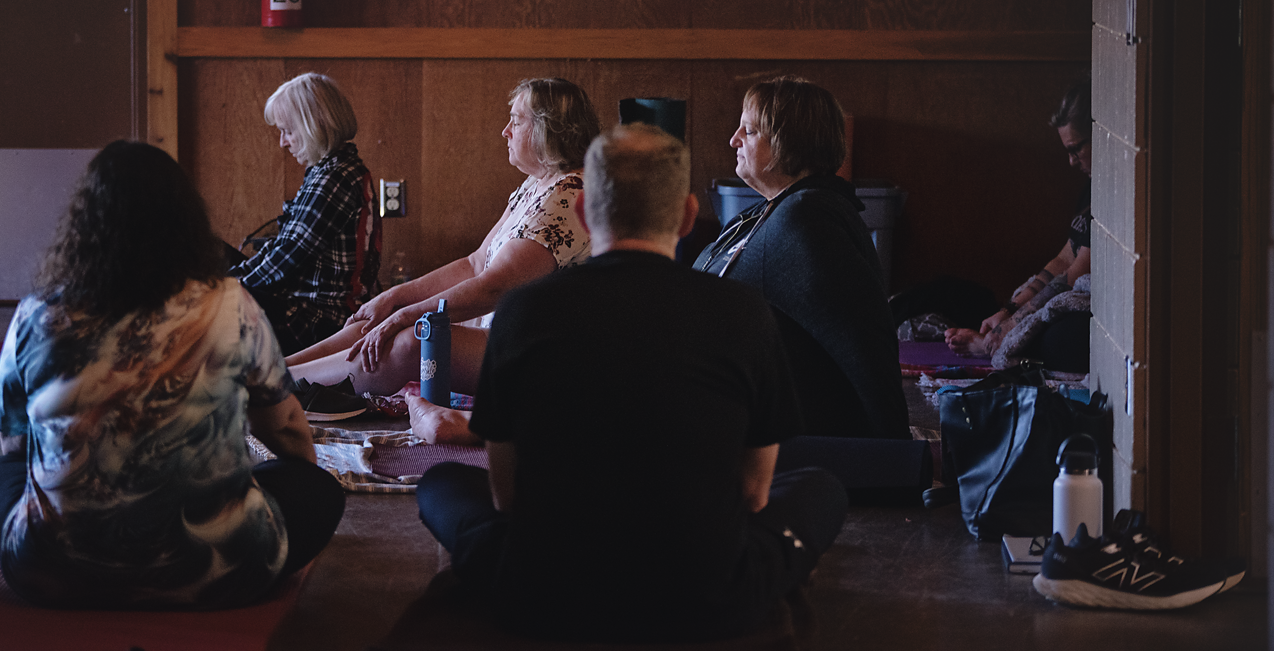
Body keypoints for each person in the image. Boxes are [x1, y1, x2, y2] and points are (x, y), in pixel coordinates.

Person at [416, 124, 848, 643]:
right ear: (689, 216)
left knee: (442, 485)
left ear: (581, 213)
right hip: (707, 595)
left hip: (545, 590)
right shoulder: (744, 312)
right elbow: (754, 493)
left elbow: (507, 496)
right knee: (819, 488)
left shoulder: (523, 311)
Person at [0, 140, 345, 608]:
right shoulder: (229, 305)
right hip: (224, 572)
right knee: (318, 491)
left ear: (83, 226)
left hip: (53, 573)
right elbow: (287, 428)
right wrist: (286, 479)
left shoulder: (37, 315)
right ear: (184, 221)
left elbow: (16, 445)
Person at [285, 78, 599, 397]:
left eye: (516, 121)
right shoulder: (537, 184)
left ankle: (276, 388)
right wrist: (394, 299)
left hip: (538, 350)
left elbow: (495, 285)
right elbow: (475, 263)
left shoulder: (568, 194)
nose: (505, 130)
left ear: (550, 129)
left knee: (412, 341)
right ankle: (276, 373)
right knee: (378, 318)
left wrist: (407, 313)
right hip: (500, 333)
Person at [694, 77, 909, 439]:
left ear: (786, 142)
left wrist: (893, 459)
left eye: (749, 130)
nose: (734, 139)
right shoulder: (771, 210)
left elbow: (864, 347)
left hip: (793, 442)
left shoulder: (807, 220)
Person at [227, 73, 382, 354]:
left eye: (288, 131)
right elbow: (280, 249)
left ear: (316, 126)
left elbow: (286, 258)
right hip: (305, 309)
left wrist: (223, 289)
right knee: (210, 257)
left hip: (319, 322)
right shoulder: (329, 171)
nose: (283, 142)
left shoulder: (335, 178)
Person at [945, 78, 1092, 371]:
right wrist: (1008, 311)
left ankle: (996, 348)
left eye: (1076, 149)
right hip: (1070, 292)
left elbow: (1077, 274)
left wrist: (1013, 326)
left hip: (1086, 303)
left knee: (1062, 339)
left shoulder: (1113, 190)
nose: (1072, 162)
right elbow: (1064, 258)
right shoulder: (1091, 187)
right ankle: (1001, 343)